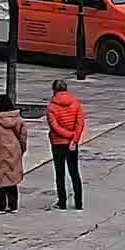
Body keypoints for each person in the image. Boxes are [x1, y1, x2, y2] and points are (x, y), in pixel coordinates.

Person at [0, 93, 28, 213]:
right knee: (12, 179)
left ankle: (1, 205)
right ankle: (13, 205)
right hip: (14, 151)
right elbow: (23, 137)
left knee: (1, 178)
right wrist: (21, 149)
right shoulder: (18, 119)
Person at [46, 79, 87, 210]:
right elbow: (80, 124)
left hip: (58, 143)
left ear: (54, 90)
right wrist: (74, 139)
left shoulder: (51, 107)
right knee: (74, 172)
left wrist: (68, 135)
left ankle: (62, 202)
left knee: (60, 173)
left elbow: (54, 127)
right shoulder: (76, 104)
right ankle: (78, 203)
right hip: (72, 144)